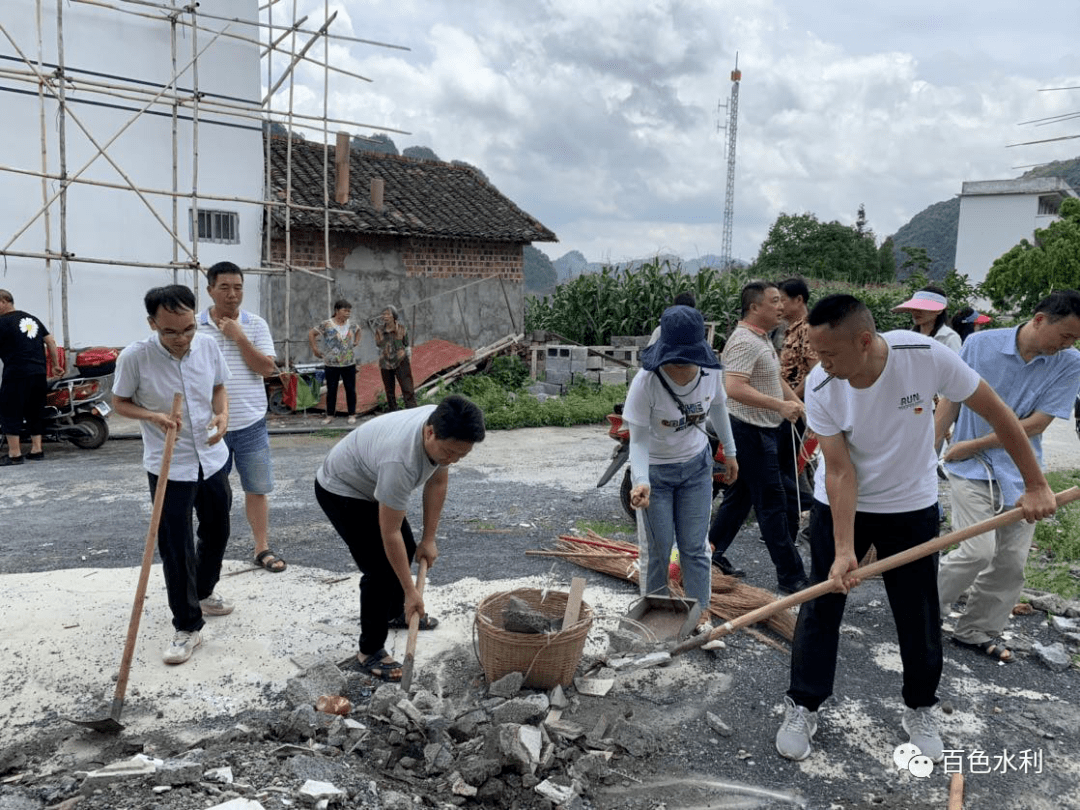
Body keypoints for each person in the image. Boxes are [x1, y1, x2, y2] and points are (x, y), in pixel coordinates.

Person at [775, 294, 1057, 764]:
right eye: (817, 355)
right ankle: (803, 703)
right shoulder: (823, 386)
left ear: (864, 341)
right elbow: (840, 471)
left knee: (918, 610)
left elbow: (997, 413)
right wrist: (844, 550)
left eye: (829, 353)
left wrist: (1036, 484)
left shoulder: (924, 356)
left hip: (911, 504)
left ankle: (920, 706)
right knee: (822, 604)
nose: (820, 364)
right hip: (842, 505)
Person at [936, 291, 1080, 663]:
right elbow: (951, 400)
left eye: (1075, 340)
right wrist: (929, 446)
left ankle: (975, 630)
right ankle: (923, 611)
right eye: (1065, 335)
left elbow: (1038, 423)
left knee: (1011, 563)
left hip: (1023, 475)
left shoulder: (1068, 362)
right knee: (975, 550)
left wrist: (974, 443)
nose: (1068, 344)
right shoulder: (981, 344)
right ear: (1039, 319)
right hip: (970, 472)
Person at [314, 394, 485, 681]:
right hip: (342, 489)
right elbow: (389, 531)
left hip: (372, 481)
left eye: (461, 455)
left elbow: (438, 480)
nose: (452, 460)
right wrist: (411, 592)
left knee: (405, 551)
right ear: (430, 432)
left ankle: (394, 613)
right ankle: (369, 651)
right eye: (450, 453)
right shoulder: (401, 460)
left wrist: (428, 539)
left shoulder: (444, 422)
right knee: (380, 569)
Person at [113, 285, 234, 665]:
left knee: (217, 529)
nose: (181, 339)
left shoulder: (209, 346)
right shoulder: (136, 357)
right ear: (153, 324)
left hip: (212, 457)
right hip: (170, 464)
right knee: (175, 545)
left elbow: (218, 387)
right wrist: (152, 416)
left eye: (187, 329)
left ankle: (203, 590)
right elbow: (119, 402)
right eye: (170, 332)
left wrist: (223, 415)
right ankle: (187, 625)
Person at [625, 306, 738, 624]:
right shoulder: (646, 382)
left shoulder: (711, 372)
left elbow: (718, 408)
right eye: (673, 359)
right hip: (657, 475)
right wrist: (641, 481)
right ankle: (654, 621)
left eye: (685, 359)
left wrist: (730, 453)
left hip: (696, 469)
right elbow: (638, 440)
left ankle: (699, 617)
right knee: (659, 552)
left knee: (695, 549)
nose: (679, 367)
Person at [708, 281, 808, 595]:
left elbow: (774, 378)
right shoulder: (744, 341)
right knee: (773, 504)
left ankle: (709, 555)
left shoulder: (761, 339)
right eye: (775, 301)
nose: (781, 306)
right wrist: (779, 405)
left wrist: (800, 406)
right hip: (748, 430)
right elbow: (734, 387)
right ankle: (791, 576)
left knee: (740, 500)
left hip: (764, 429)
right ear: (755, 307)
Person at [197, 262, 285, 574]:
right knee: (213, 495)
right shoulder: (194, 327)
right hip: (210, 425)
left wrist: (240, 337)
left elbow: (267, 369)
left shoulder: (256, 324)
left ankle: (261, 547)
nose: (233, 294)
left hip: (251, 422)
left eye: (238, 287)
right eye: (225, 287)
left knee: (257, 488)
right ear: (210, 290)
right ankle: (211, 554)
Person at [0, 289, 61, 465]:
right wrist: (55, 365)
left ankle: (14, 454)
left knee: (10, 410)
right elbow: (50, 341)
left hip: (17, 372)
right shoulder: (32, 318)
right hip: (39, 373)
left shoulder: (2, 322)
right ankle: (37, 450)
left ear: (4, 301)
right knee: (35, 410)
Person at [777, 277, 818, 543]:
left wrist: (794, 401)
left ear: (799, 300)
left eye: (783, 299)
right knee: (790, 468)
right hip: (787, 406)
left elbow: (814, 370)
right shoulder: (792, 328)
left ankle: (811, 512)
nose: (779, 305)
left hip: (794, 410)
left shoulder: (807, 329)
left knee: (786, 468)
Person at [309, 299, 361, 426]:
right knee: (331, 390)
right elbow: (311, 333)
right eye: (345, 311)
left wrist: (356, 342)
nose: (348, 313)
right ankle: (330, 415)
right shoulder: (327, 324)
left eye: (349, 311)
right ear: (337, 311)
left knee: (350, 389)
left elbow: (359, 330)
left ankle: (352, 414)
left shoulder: (351, 324)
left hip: (349, 363)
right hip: (331, 363)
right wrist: (315, 349)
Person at [373, 305, 417, 411]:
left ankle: (412, 410)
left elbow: (406, 345)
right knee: (389, 390)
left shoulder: (402, 329)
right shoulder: (379, 331)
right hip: (385, 362)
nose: (385, 316)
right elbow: (378, 347)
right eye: (383, 314)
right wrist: (379, 359)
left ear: (394, 315)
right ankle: (393, 411)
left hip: (401, 360)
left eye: (388, 314)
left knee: (407, 387)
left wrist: (408, 358)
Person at [894, 285, 962, 352]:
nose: (916, 313)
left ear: (938, 310)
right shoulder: (907, 337)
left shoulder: (949, 338)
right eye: (913, 308)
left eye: (922, 308)